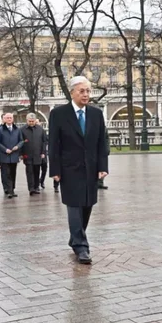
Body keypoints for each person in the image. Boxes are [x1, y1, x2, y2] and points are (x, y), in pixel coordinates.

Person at [48, 76, 109, 265]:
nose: (86, 94)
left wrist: (102, 167)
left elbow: (102, 142)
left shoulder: (96, 114)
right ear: (72, 92)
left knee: (87, 205)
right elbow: (53, 144)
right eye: (82, 91)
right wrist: (55, 170)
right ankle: (81, 247)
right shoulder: (59, 114)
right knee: (74, 206)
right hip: (69, 169)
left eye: (88, 91)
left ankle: (75, 236)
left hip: (90, 168)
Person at [0, 112, 24, 198]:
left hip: (14, 155)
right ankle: (9, 190)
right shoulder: (0, 130)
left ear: (13, 119)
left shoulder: (17, 129)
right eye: (7, 118)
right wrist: (5, 149)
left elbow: (21, 141)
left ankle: (12, 189)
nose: (9, 119)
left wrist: (17, 147)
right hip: (4, 155)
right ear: (4, 119)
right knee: (6, 173)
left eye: (10, 118)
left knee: (13, 173)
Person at [21, 113, 46, 195]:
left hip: (38, 154)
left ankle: (36, 186)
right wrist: (21, 154)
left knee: (36, 171)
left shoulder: (40, 129)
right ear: (27, 120)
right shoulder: (22, 130)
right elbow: (20, 142)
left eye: (33, 121)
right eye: (30, 121)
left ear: (35, 121)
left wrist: (43, 152)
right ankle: (31, 188)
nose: (31, 122)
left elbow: (43, 142)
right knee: (29, 171)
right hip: (27, 154)